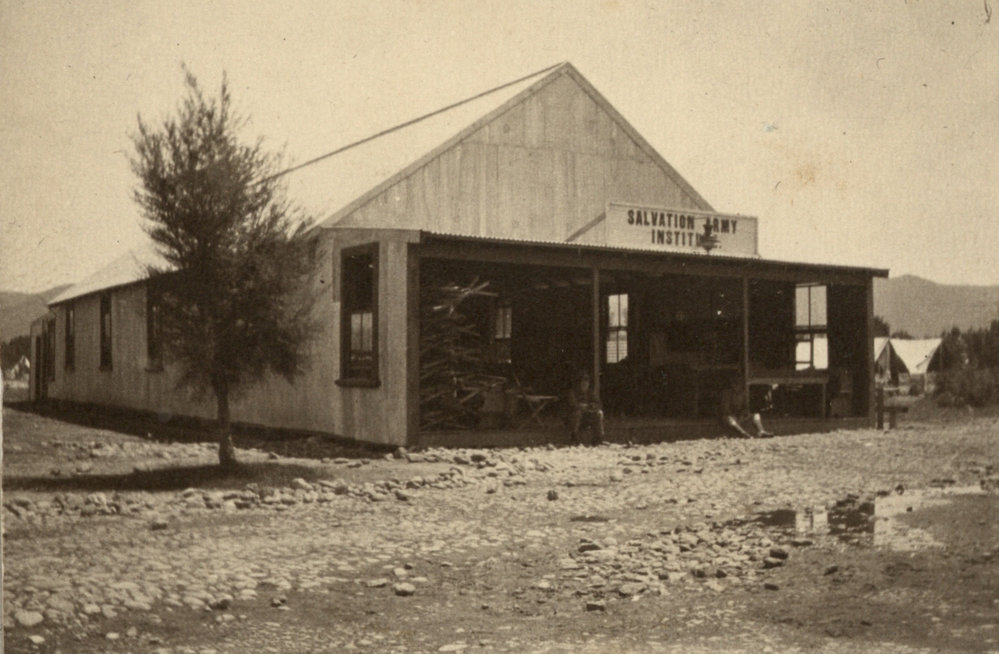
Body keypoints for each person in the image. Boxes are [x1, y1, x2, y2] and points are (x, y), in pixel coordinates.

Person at [718, 374, 773, 438]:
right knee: (729, 418)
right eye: (735, 383)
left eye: (739, 383)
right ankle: (743, 433)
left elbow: (745, 406)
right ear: (732, 384)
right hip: (730, 417)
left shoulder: (743, 393)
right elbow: (725, 409)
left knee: (755, 414)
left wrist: (743, 412)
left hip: (739, 416)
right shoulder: (727, 393)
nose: (737, 385)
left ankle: (761, 431)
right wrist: (734, 414)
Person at [566, 371, 604, 445]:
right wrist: (583, 406)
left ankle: (598, 438)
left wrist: (592, 406)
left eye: (586, 381)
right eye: (582, 381)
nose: (585, 383)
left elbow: (599, 404)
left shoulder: (590, 393)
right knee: (577, 413)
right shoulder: (572, 392)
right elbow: (573, 404)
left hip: (587, 416)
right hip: (572, 417)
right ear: (578, 383)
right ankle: (574, 437)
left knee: (599, 413)